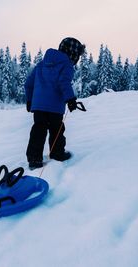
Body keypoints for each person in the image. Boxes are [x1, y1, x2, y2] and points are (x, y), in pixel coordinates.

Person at [25, 37, 85, 170]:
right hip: (55, 107)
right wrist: (70, 99)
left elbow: (29, 84)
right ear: (73, 54)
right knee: (56, 129)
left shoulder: (41, 64)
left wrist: (29, 100)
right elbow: (63, 82)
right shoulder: (66, 64)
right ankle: (57, 153)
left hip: (39, 107)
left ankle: (34, 159)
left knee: (38, 129)